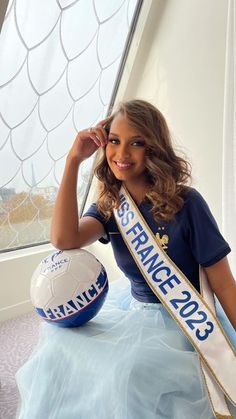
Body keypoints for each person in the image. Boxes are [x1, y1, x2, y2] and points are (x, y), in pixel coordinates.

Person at [16, 99, 236, 419]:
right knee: (57, 348)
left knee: (130, 374)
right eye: (115, 141)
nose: (121, 153)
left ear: (154, 149)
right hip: (132, 311)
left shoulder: (187, 203)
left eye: (136, 143)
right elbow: (64, 239)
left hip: (183, 319)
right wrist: (73, 160)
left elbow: (224, 283)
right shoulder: (111, 204)